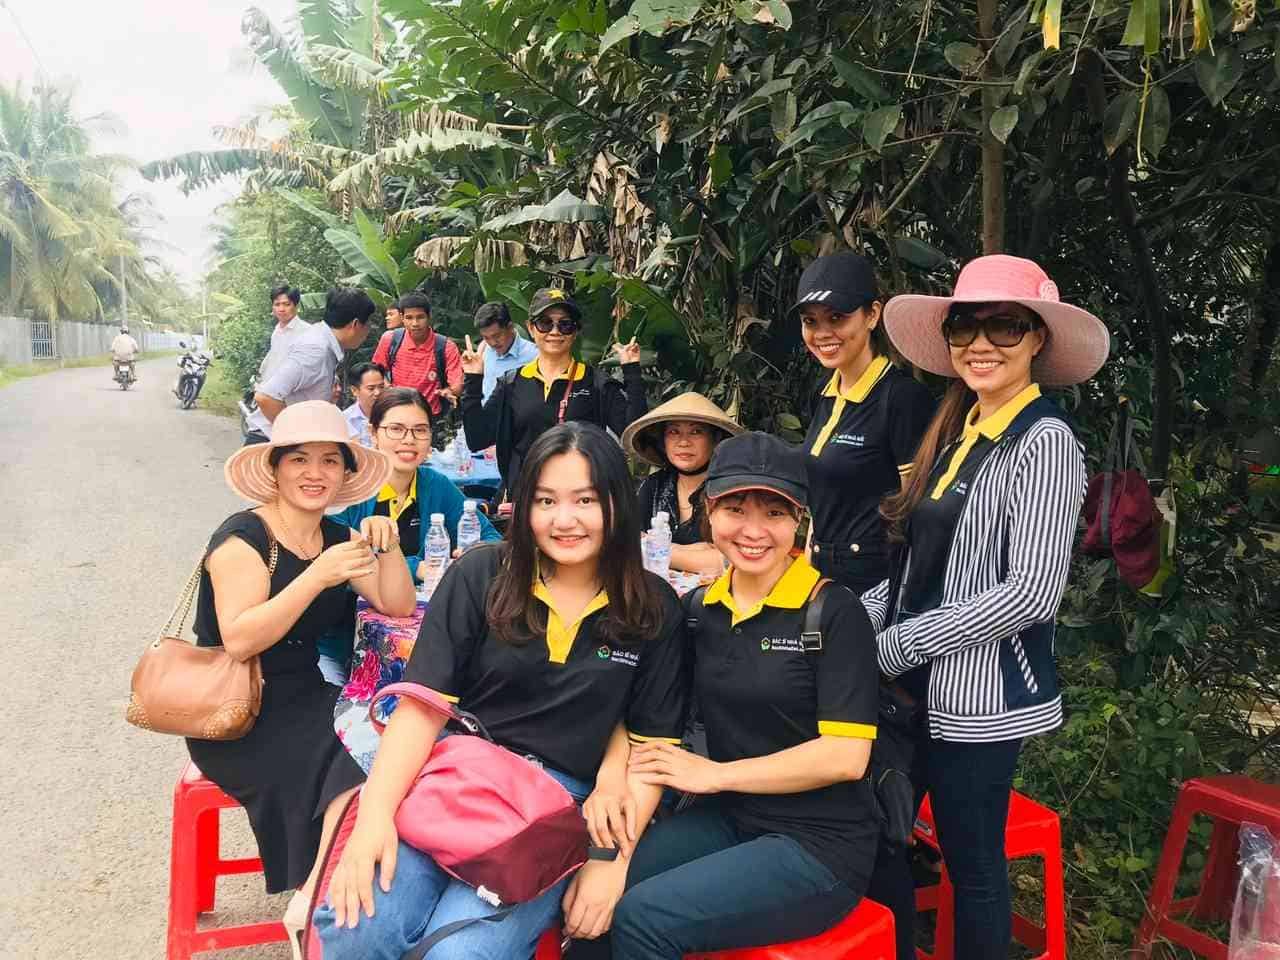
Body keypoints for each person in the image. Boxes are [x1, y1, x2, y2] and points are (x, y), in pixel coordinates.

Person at [313, 422, 690, 960]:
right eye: (546, 500)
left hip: (555, 809)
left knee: (461, 955)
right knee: (357, 925)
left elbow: (651, 748)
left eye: (585, 500)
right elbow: (420, 710)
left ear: (617, 503)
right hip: (460, 778)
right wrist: (373, 821)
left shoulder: (651, 606)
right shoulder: (482, 574)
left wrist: (612, 862)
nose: (564, 520)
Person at [865, 254, 1109, 959]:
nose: (980, 343)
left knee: (971, 869)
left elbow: (1032, 592)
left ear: (1037, 339)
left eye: (1003, 326)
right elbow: (917, 565)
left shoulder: (1046, 442)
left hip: (977, 702)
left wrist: (901, 643)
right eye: (964, 327)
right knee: (876, 839)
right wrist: (855, 618)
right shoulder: (957, 430)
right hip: (904, 691)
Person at [608, 431, 880, 959]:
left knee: (644, 919)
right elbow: (645, 704)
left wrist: (715, 775)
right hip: (733, 818)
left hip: (819, 843)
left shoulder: (833, 612)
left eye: (774, 513)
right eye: (736, 509)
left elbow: (847, 757)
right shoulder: (699, 610)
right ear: (709, 512)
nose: (754, 531)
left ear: (799, 521)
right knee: (599, 882)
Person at [187, 401, 416, 959]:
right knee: (356, 753)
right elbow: (239, 640)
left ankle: (319, 891)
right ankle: (319, 899)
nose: (315, 473)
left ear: (344, 473)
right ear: (276, 468)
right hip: (238, 709)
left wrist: (386, 546)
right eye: (299, 460)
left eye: (329, 461)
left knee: (396, 739)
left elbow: (396, 603)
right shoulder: (242, 538)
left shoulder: (337, 536)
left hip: (307, 693)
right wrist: (316, 577)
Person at [320, 388, 501, 684]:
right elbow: (339, 565)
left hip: (430, 640)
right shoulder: (349, 493)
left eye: (420, 430)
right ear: (373, 433)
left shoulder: (435, 485)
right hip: (341, 642)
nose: (408, 440)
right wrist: (416, 565)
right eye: (396, 429)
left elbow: (492, 539)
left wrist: (471, 555)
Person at [797, 252, 935, 596]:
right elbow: (823, 499)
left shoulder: (902, 398)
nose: (822, 333)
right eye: (810, 321)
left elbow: (919, 515)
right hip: (821, 580)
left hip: (877, 587)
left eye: (837, 317)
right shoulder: (822, 394)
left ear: (872, 315)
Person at [460, 287, 648, 494]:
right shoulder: (511, 383)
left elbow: (635, 438)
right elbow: (477, 439)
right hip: (527, 497)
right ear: (531, 328)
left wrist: (632, 371)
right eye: (545, 323)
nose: (555, 331)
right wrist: (473, 380)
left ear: (575, 331)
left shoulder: (596, 383)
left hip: (579, 497)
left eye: (565, 325)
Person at [621, 392, 742, 577]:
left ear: (716, 439)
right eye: (673, 432)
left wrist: (657, 548)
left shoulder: (731, 491)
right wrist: (694, 552)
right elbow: (626, 543)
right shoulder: (654, 486)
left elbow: (727, 561)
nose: (684, 442)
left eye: (696, 432)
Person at [243, 288, 376, 444]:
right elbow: (266, 397)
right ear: (355, 324)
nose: (368, 331)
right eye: (368, 324)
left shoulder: (322, 342)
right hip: (269, 441)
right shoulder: (315, 350)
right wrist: (296, 438)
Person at [370, 291, 462, 428]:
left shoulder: (446, 347)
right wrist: (387, 387)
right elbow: (376, 372)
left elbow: (457, 385)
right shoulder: (390, 339)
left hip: (429, 419)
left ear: (429, 316)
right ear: (402, 318)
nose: (415, 323)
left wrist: (449, 391)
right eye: (409, 317)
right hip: (395, 413)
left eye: (420, 317)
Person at [474, 300, 538, 402]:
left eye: (497, 336)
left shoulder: (534, 356)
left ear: (510, 327)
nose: (492, 343)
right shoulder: (484, 348)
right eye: (486, 337)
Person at [259, 285, 306, 381]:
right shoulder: (277, 331)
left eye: (287, 304)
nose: (281, 309)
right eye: (277, 304)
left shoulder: (306, 332)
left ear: (296, 306)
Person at [343, 362, 387, 449]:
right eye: (371, 388)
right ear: (354, 390)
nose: (378, 392)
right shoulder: (344, 419)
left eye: (381, 387)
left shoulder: (393, 414)